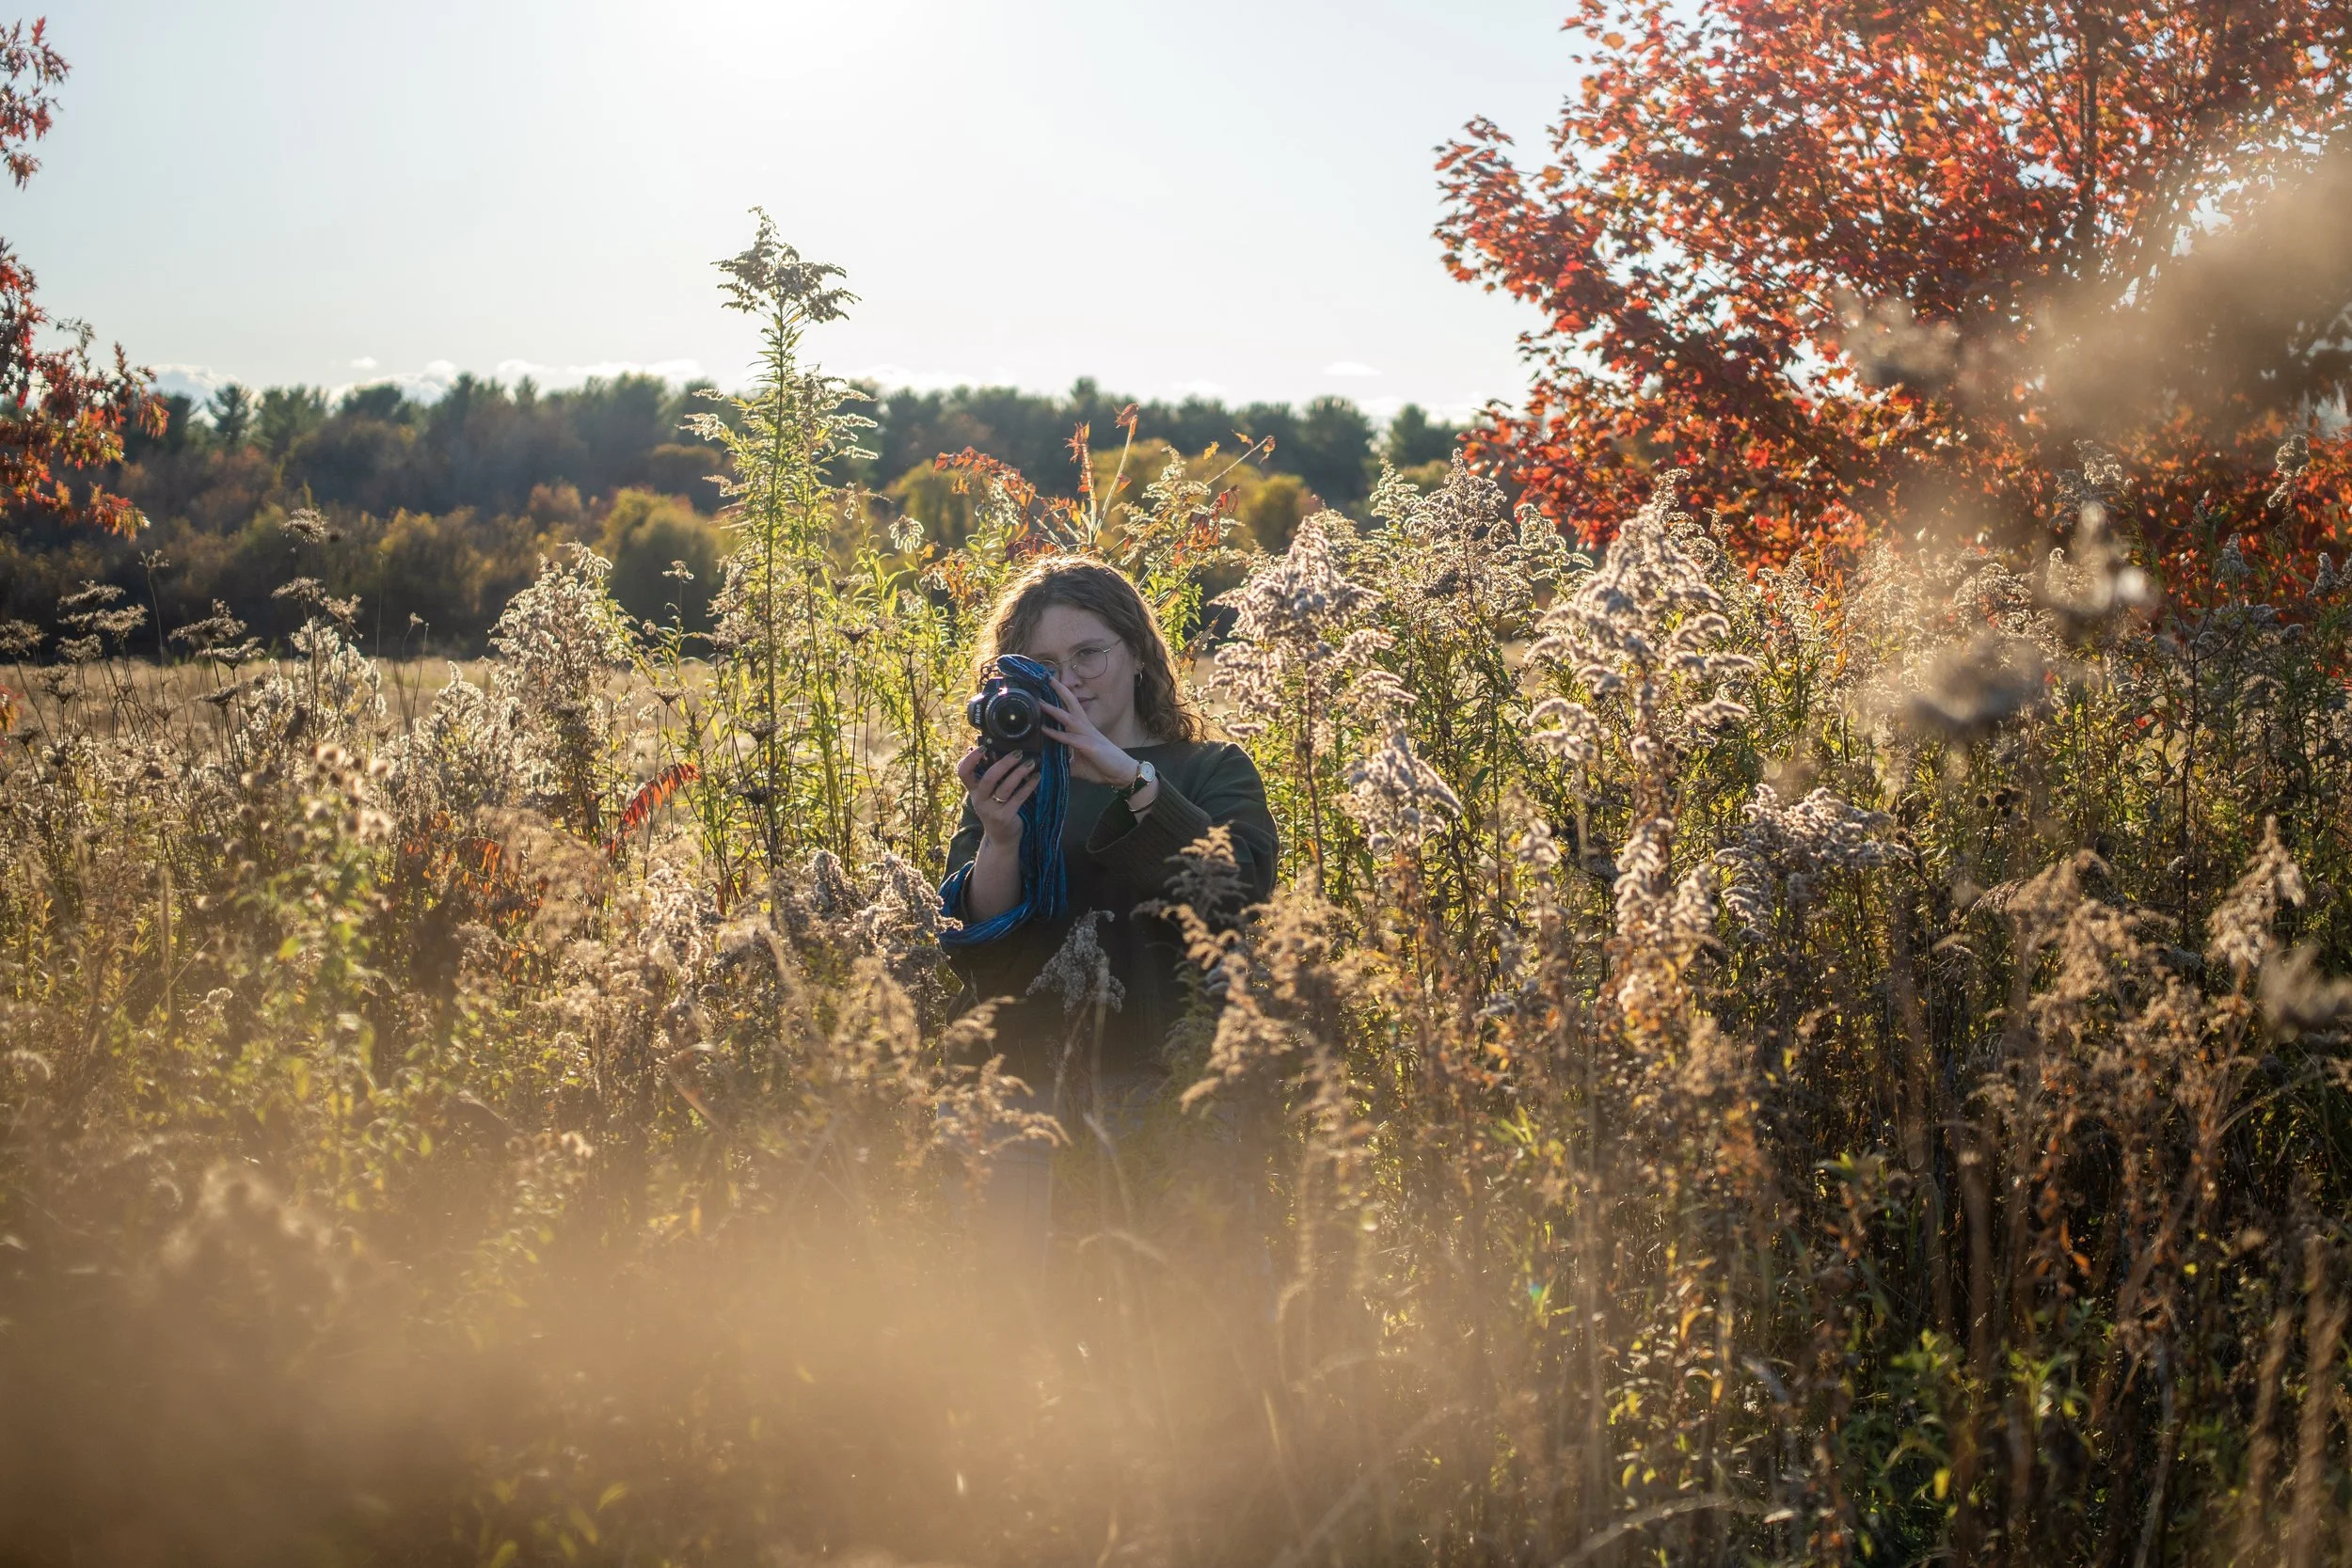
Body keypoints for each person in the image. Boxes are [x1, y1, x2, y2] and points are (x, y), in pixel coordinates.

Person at [942, 555, 1279, 1116]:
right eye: (1045, 664)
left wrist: (1130, 777)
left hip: (1167, 1084)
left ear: (1140, 656)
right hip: (1012, 1082)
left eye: (1088, 654)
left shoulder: (1210, 769)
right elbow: (971, 940)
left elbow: (1237, 891)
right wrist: (999, 840)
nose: (1069, 679)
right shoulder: (1013, 777)